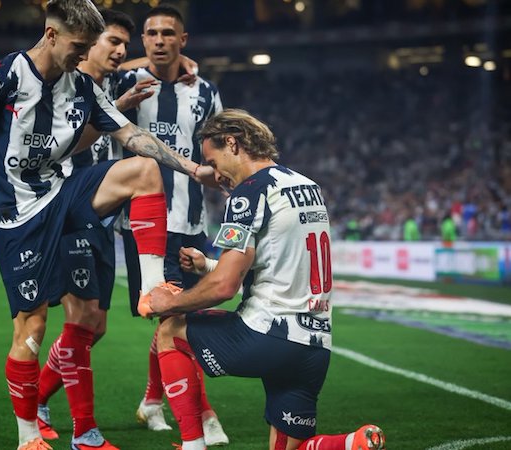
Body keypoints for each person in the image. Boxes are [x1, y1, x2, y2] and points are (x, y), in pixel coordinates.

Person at [0, 2, 214, 449]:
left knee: (143, 170)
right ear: (51, 35)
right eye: (79, 46)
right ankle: (28, 435)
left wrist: (192, 169)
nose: (84, 55)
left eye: (89, 47)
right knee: (32, 327)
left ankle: (152, 286)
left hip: (63, 193)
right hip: (14, 215)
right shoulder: (5, 75)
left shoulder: (81, 85)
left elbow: (131, 135)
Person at [137, 109, 386, 450]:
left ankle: (194, 444)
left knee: (170, 330)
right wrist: (208, 265)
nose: (215, 174)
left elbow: (225, 287)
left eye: (214, 161)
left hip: (268, 335)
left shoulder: (250, 192)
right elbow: (279, 262)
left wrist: (171, 302)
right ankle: (350, 443)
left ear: (232, 143)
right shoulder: (308, 186)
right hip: (314, 346)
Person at [33, 8, 156, 447]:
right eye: (112, 42)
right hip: (67, 209)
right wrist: (114, 112)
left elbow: (153, 65)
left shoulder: (111, 83)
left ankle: (36, 400)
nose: (120, 51)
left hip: (103, 218)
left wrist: (181, 62)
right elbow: (59, 147)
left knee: (95, 327)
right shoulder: (62, 84)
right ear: (87, 44)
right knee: (81, 318)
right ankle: (85, 432)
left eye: (124, 45)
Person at [115, 5, 228, 444]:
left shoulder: (206, 92)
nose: (159, 40)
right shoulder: (125, 81)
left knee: (181, 320)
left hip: (192, 221)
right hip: (145, 224)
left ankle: (152, 401)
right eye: (151, 33)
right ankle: (202, 417)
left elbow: (217, 150)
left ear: (183, 40)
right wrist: (140, 66)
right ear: (142, 40)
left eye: (168, 33)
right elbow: (89, 70)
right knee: (172, 320)